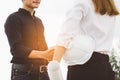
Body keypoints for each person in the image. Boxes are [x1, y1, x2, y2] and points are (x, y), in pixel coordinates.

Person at [51, 0, 119, 80]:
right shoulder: (109, 6)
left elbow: (65, 35)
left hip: (83, 67)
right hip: (104, 67)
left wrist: (54, 66)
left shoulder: (82, 2)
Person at [4, 0, 54, 80]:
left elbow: (44, 47)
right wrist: (44, 54)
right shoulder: (13, 18)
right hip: (24, 74)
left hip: (43, 73)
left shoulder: (39, 21)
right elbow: (17, 49)